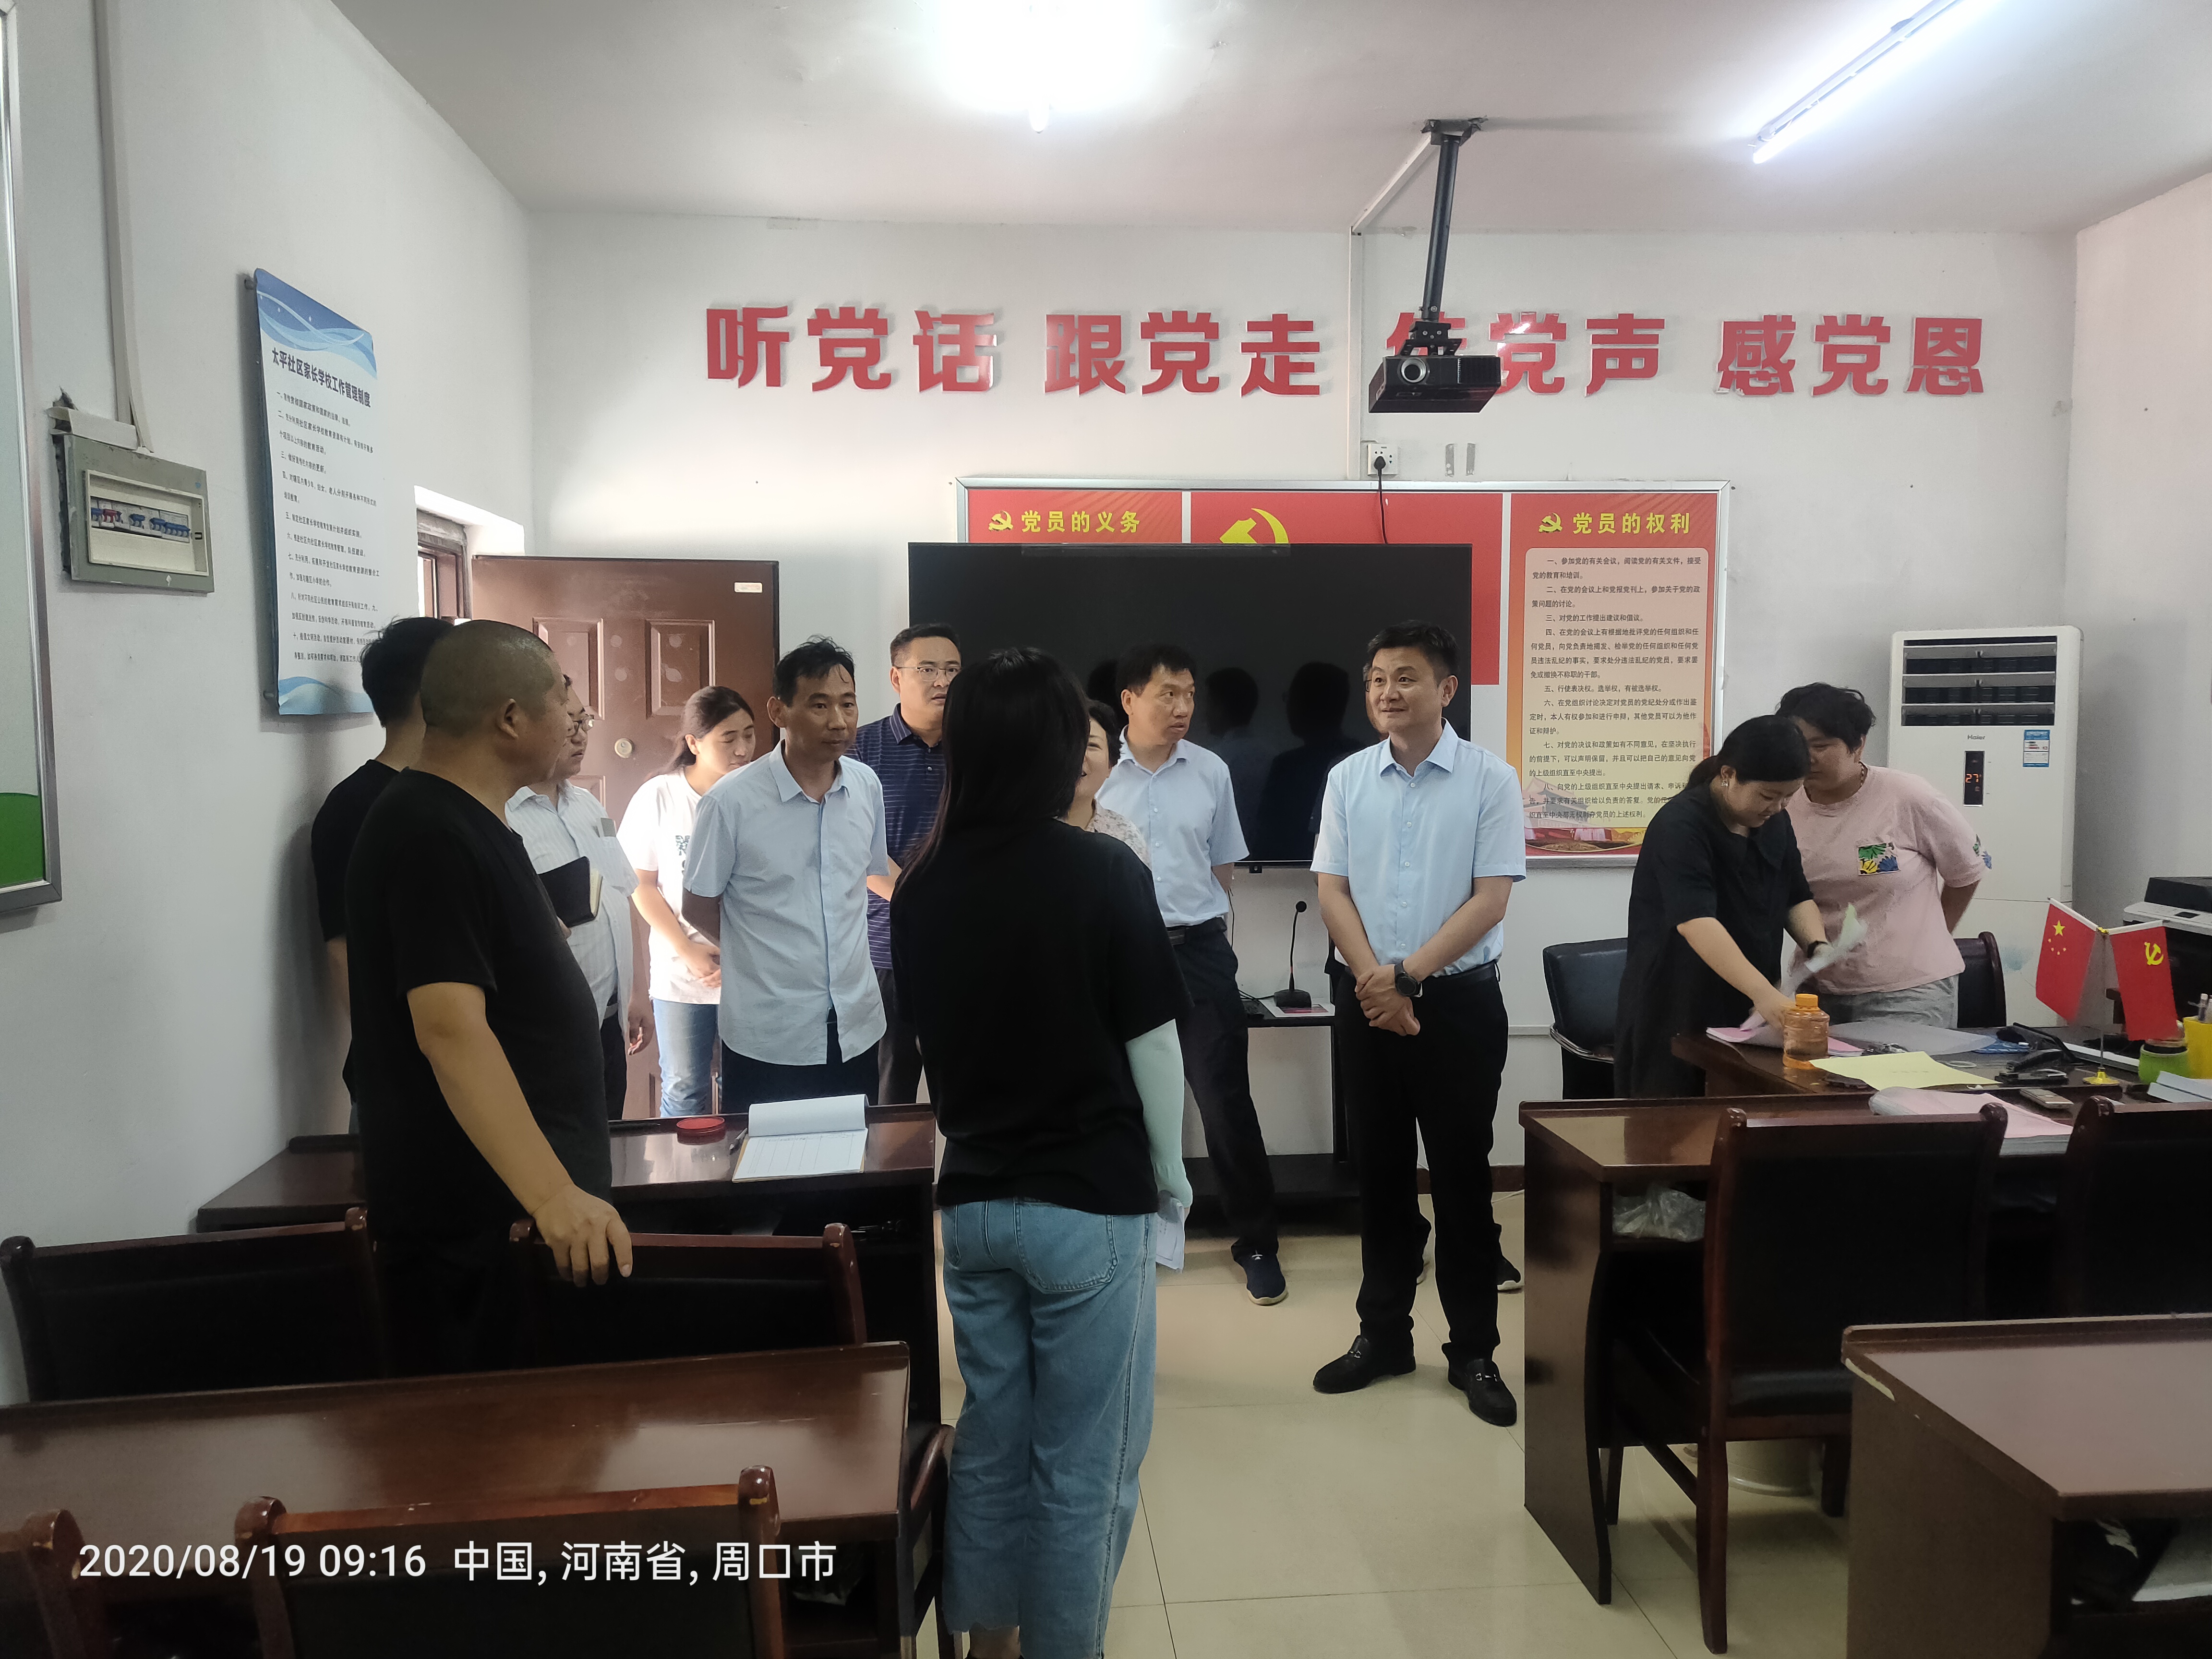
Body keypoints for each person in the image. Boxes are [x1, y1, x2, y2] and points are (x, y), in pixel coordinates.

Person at [890, 648, 1190, 1659]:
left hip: (973, 1203)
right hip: (1088, 1205)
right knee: (1083, 1465)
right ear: (1062, 748)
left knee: (992, 1440)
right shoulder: (1101, 869)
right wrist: (1173, 1172)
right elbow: (1153, 1044)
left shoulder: (922, 884)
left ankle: (989, 1644)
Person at [345, 621, 628, 1373]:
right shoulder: (429, 830)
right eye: (561, 697)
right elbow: (449, 1031)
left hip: (515, 1223)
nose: (576, 714)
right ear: (510, 718)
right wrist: (551, 1194)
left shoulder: (474, 818)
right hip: (479, 1229)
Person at [1308, 622, 1526, 1426]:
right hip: (1365, 1000)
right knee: (1381, 1176)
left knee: (1461, 1178)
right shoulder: (1346, 778)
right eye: (1375, 679)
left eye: (1404, 677)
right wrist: (1376, 981)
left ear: (1446, 689)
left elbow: (1490, 899)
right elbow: (1331, 889)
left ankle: (1472, 1350)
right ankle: (1383, 1336)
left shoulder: (1489, 779)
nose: (1386, 692)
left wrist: (1406, 977)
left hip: (1456, 1005)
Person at [1095, 643, 1285, 1305]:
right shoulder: (1094, 771)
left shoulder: (1210, 770)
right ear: (1129, 700)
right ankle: (1128, 1239)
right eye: (1167, 695)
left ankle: (1257, 1242)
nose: (1182, 708)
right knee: (1119, 1102)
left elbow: (1223, 867)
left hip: (1198, 950)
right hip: (1116, 954)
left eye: (1189, 695)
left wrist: (1191, 919)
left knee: (1224, 1099)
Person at [683, 638, 889, 1111]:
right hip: (768, 1033)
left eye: (848, 704)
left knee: (855, 1154)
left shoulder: (866, 787)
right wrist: (759, 954)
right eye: (819, 705)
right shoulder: (730, 803)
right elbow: (698, 905)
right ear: (779, 711)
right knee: (764, 1158)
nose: (838, 721)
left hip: (856, 1027)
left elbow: (865, 877)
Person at [1615, 716, 1832, 1097]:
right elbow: (1696, 921)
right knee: (1678, 1121)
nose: (1778, 808)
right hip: (1678, 1003)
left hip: (1749, 1005)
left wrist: (1818, 945)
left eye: (1788, 797)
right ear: (1728, 774)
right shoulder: (1680, 825)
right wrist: (1764, 993)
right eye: (1768, 796)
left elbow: (1796, 895)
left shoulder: (1774, 823)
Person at [1778, 683, 1991, 1027]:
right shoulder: (1780, 804)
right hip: (1817, 989)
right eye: (1799, 746)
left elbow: (1966, 872)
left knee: (1898, 1066)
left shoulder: (1908, 796)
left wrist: (1933, 935)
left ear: (1859, 745)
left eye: (1821, 746)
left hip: (1909, 990)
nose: (1809, 758)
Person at [311, 615, 454, 1111]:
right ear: (430, 693)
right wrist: (402, 1060)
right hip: (411, 1077)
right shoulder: (356, 807)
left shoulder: (452, 794)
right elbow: (344, 949)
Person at [507, 680, 648, 1120]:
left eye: (584, 721)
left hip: (608, 1023)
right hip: (545, 1038)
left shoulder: (589, 805)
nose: (580, 735)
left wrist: (637, 992)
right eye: (568, 722)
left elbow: (623, 893)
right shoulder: (501, 815)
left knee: (610, 1139)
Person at [617, 686, 756, 1116]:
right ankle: (685, 1166)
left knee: (747, 1094)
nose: (743, 749)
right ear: (694, 743)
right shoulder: (660, 795)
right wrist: (686, 949)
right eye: (728, 738)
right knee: (684, 1090)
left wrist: (743, 958)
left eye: (749, 735)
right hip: (681, 975)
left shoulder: (761, 794)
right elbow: (640, 884)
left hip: (752, 972)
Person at [851, 624, 961, 1103]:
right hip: (884, 951)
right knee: (888, 1093)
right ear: (896, 678)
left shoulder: (979, 749)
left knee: (964, 1089)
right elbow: (854, 849)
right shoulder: (860, 749)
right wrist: (921, 904)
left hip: (965, 948)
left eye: (953, 670)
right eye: (928, 669)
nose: (943, 681)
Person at [1251, 661, 1360, 860]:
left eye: (1292, 699)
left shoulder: (1288, 767)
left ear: (1311, 704)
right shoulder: (1362, 759)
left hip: (1283, 875)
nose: (1288, 708)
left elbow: (1267, 843)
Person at [1063, 699, 1149, 866]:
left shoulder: (1125, 836)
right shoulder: (1022, 829)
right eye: (1068, 743)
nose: (1079, 755)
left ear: (1111, 765)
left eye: (1092, 745)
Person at [1200, 665, 1268, 837]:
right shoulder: (1270, 757)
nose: (1204, 713)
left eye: (1209, 703)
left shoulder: (1212, 761)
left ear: (1220, 707)